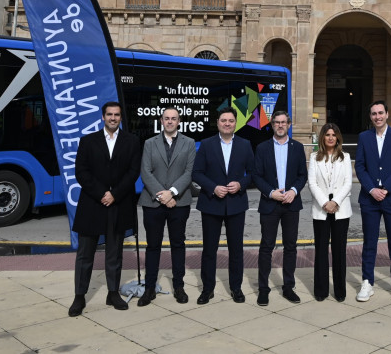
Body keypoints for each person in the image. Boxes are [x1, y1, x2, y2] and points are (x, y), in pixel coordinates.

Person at [68, 101, 142, 317]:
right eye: (109, 114)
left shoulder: (132, 141)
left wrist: (115, 194)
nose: (113, 118)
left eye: (117, 115)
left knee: (114, 253)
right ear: (102, 117)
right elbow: (81, 172)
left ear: (120, 117)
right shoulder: (88, 141)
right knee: (85, 254)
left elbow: (133, 172)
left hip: (118, 204)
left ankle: (112, 293)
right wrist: (102, 193)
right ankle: (79, 296)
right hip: (92, 203)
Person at [192, 108, 254, 304]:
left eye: (231, 120)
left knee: (236, 249)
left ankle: (236, 288)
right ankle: (207, 289)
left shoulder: (245, 145)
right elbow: (197, 173)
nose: (227, 123)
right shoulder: (207, 144)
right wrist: (213, 187)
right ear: (217, 122)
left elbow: (253, 173)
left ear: (236, 123)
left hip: (236, 204)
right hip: (211, 203)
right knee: (209, 249)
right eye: (223, 120)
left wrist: (241, 184)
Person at [136, 107, 195, 306]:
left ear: (179, 121)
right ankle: (150, 288)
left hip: (179, 202)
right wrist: (163, 195)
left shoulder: (189, 143)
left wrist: (172, 192)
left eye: (174, 118)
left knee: (177, 245)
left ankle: (179, 286)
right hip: (153, 203)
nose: (170, 121)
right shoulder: (149, 143)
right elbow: (145, 171)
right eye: (166, 118)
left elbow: (189, 172)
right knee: (153, 246)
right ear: (161, 121)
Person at [354, 100, 391, 302]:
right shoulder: (364, 137)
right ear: (370, 116)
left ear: (387, 114)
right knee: (369, 242)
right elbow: (359, 166)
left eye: (380, 113)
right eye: (373, 113)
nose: (377, 117)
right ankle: (367, 282)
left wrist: (385, 189)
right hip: (370, 199)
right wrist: (372, 189)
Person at [252, 110, 309, 306]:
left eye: (283, 122)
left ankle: (288, 287)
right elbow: (256, 176)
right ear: (272, 125)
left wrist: (293, 190)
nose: (280, 125)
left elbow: (303, 175)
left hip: (291, 204)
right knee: (266, 247)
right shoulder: (262, 148)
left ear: (289, 124)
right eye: (276, 122)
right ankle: (263, 289)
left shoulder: (298, 147)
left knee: (290, 247)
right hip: (270, 203)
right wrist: (270, 192)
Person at [308, 122, 352, 301]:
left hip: (341, 210)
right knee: (320, 250)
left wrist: (335, 202)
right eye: (327, 135)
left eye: (334, 135)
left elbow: (348, 183)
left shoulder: (346, 157)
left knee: (339, 251)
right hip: (321, 210)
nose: (331, 138)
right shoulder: (314, 158)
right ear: (323, 138)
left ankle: (340, 291)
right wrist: (325, 202)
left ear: (338, 137)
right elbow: (312, 183)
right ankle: (321, 290)